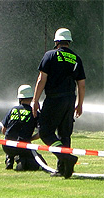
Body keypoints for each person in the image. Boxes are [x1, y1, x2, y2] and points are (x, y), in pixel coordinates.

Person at [32, 28, 86, 179]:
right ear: (69, 42)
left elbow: (41, 80)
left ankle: (67, 158)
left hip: (54, 99)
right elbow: (81, 84)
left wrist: (35, 101)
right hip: (70, 100)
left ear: (56, 42)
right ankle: (64, 170)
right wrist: (80, 104)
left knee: (45, 132)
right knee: (64, 134)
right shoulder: (76, 58)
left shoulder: (50, 55)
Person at [1, 85, 46, 171]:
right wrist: (29, 139)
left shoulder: (13, 109)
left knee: (11, 139)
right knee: (40, 163)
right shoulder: (34, 113)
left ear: (20, 99)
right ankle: (22, 161)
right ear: (32, 98)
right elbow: (42, 132)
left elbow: (4, 130)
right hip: (22, 147)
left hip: (6, 146)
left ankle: (9, 159)